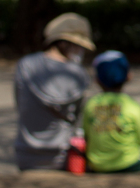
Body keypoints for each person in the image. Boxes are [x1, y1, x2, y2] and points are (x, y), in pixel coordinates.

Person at [14, 12, 94, 171]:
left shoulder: (25, 65)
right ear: (64, 44)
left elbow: (20, 104)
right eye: (79, 46)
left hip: (25, 155)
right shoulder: (78, 74)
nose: (81, 52)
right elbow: (78, 118)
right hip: (62, 156)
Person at [82, 51, 140, 173]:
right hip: (128, 164)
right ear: (128, 76)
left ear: (97, 80)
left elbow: (87, 135)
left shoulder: (90, 104)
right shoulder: (133, 106)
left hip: (97, 165)